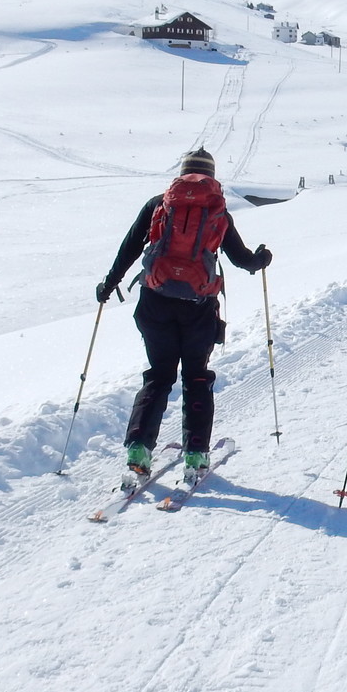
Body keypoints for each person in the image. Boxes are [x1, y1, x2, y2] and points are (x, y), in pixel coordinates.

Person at [95, 149, 271, 486]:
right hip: (198, 308)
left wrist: (109, 283)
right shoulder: (218, 211)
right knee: (196, 378)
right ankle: (195, 453)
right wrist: (261, 260)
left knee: (159, 376)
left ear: (182, 173)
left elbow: (130, 248)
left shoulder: (158, 205)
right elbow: (243, 260)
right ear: (211, 175)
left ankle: (138, 450)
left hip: (154, 303)